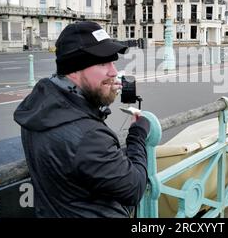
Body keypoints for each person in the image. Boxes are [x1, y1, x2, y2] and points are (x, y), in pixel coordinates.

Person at [14, 21, 150, 218]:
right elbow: (134, 188)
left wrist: (97, 105)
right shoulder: (89, 137)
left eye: (113, 62)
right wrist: (137, 135)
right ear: (75, 69)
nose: (113, 71)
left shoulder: (39, 107)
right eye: (103, 63)